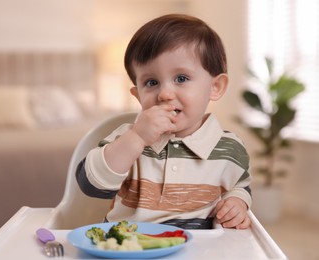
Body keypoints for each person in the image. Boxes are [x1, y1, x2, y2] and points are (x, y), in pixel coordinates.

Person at [76, 14, 252, 229]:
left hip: (198, 249)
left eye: (181, 78)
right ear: (138, 95)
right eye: (152, 82)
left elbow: (239, 185)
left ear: (215, 87)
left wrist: (237, 202)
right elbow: (91, 185)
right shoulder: (126, 137)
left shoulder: (229, 148)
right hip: (129, 246)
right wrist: (137, 138)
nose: (165, 94)